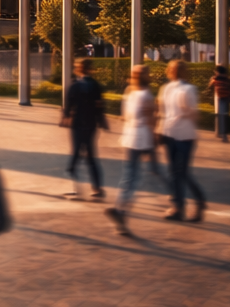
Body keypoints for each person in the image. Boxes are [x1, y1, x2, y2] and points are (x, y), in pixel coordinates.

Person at [104, 64, 164, 237]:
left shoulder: (129, 92)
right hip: (143, 138)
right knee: (138, 177)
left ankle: (120, 211)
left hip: (130, 137)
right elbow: (151, 119)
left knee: (129, 176)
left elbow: (124, 116)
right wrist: (154, 134)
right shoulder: (146, 94)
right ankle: (120, 212)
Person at [159, 60, 207, 223]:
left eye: (175, 69)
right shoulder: (167, 89)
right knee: (175, 172)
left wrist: (186, 112)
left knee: (181, 172)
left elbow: (194, 114)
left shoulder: (187, 89)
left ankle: (196, 200)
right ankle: (179, 206)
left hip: (183, 135)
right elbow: (163, 112)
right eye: (172, 68)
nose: (173, 71)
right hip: (172, 133)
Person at [60, 58, 106, 200]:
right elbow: (99, 105)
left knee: (77, 154)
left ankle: (76, 187)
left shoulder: (75, 85)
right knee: (90, 156)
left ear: (79, 68)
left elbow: (68, 104)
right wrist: (101, 120)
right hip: (90, 124)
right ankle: (97, 188)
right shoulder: (94, 85)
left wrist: (65, 116)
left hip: (78, 124)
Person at [210, 65, 230, 142]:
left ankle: (225, 135)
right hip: (226, 98)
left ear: (218, 72)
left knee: (223, 117)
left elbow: (210, 85)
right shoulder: (227, 79)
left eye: (216, 72)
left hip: (223, 99)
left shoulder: (216, 79)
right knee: (225, 116)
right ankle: (225, 134)